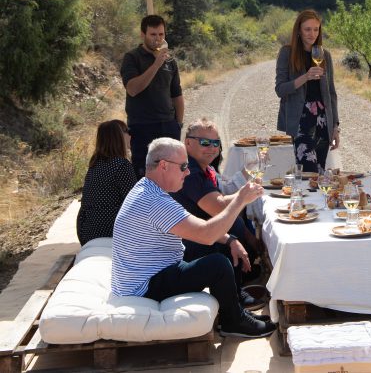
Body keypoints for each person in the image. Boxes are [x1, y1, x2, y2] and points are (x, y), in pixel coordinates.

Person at [111, 138, 275, 339]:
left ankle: (234, 309)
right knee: (218, 264)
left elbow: (193, 226)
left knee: (220, 247)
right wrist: (241, 199)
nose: (188, 172)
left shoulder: (147, 189)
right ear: (163, 166)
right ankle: (233, 321)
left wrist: (229, 240)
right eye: (183, 167)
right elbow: (206, 234)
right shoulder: (154, 201)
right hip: (144, 287)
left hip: (144, 276)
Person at [171, 119, 264, 308]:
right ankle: (233, 302)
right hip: (184, 243)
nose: (212, 148)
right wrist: (243, 196)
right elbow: (219, 207)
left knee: (237, 227)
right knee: (232, 230)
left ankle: (238, 285)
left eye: (216, 143)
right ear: (188, 143)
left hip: (199, 232)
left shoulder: (202, 167)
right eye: (205, 142)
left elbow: (222, 199)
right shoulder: (191, 172)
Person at [275, 10, 340, 173]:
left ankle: (316, 199)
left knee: (320, 171)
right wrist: (305, 77)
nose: (312, 34)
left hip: (323, 119)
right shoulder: (287, 53)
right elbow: (280, 89)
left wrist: (335, 126)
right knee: (307, 171)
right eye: (307, 29)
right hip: (300, 119)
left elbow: (331, 93)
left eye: (316, 29)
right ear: (298, 30)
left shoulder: (325, 55)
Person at [121, 15, 184, 177]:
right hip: (143, 127)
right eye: (153, 34)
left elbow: (176, 94)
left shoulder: (170, 62)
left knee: (172, 173)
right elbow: (133, 89)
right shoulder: (132, 58)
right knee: (145, 174)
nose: (158, 39)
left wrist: (178, 124)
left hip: (168, 125)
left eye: (161, 34)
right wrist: (156, 64)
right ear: (143, 35)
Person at [76, 119, 137, 245]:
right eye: (127, 131)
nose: (130, 136)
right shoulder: (121, 165)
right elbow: (134, 204)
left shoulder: (95, 164)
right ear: (118, 137)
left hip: (87, 230)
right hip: (110, 230)